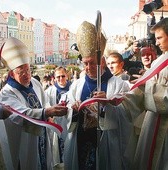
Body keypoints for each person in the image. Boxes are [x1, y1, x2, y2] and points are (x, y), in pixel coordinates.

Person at [101, 18, 168, 170]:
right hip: (152, 125)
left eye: (159, 38)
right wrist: (116, 101)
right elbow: (140, 93)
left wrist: (148, 87)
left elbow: (150, 90)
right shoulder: (159, 62)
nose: (156, 43)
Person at [63, 21, 131, 170]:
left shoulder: (118, 84)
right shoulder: (77, 85)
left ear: (102, 61)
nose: (88, 68)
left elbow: (127, 114)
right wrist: (72, 109)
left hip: (106, 141)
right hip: (81, 139)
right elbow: (67, 105)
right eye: (85, 63)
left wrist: (109, 104)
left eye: (92, 63)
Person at [0, 37, 68, 170]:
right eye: (21, 71)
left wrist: (48, 112)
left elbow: (45, 102)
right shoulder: (7, 93)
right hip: (24, 143)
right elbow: (20, 114)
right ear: (12, 73)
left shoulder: (35, 83)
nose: (26, 75)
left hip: (42, 138)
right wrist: (47, 112)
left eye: (28, 70)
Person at [45, 66, 71, 166]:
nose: (61, 79)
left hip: (69, 125)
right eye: (58, 77)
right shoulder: (49, 92)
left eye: (63, 76)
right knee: (57, 151)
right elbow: (46, 105)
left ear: (67, 76)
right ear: (54, 78)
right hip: (56, 126)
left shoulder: (74, 88)